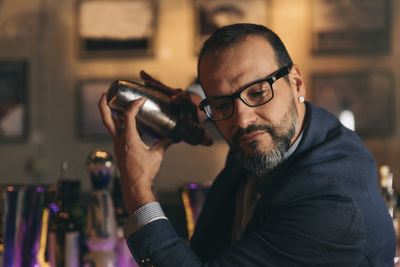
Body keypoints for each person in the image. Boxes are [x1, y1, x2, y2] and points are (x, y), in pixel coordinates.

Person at [98, 23, 395, 266]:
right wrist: (196, 98)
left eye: (256, 93)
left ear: (296, 83)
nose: (241, 120)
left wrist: (136, 189)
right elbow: (233, 78)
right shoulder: (284, 134)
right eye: (222, 104)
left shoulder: (331, 203)